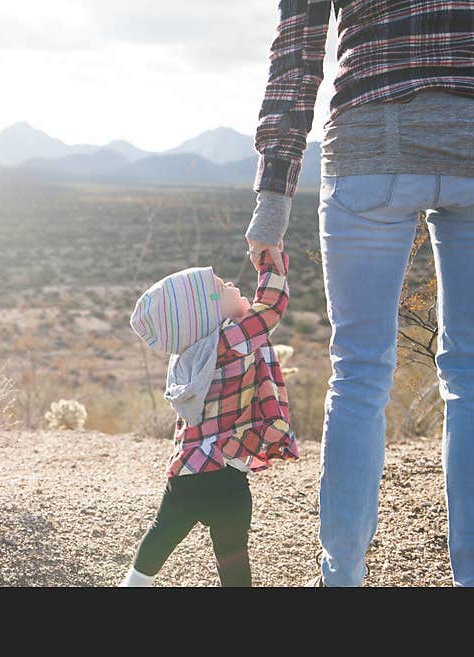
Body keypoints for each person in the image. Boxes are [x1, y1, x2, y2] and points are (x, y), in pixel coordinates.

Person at [246, 1, 474, 586]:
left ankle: (341, 579)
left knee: (359, 374)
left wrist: (272, 203)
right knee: (472, 379)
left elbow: (297, 56)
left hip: (371, 144)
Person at [119, 249, 298, 586]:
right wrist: (269, 261)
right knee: (231, 551)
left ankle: (133, 584)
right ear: (208, 312)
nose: (230, 283)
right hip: (226, 475)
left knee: (162, 534)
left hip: (187, 472)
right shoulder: (230, 340)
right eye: (220, 285)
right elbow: (272, 306)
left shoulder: (187, 354)